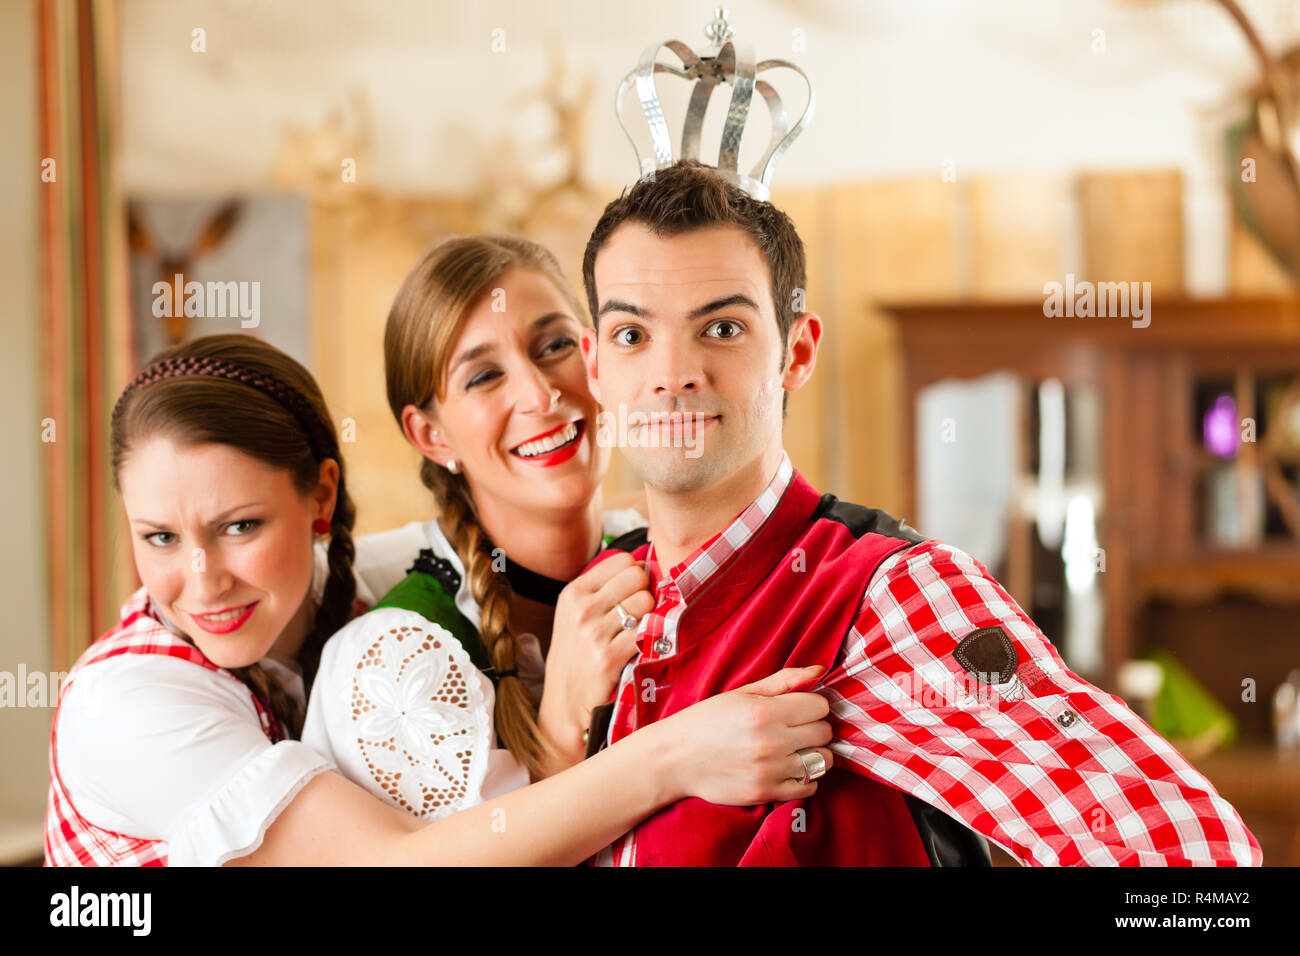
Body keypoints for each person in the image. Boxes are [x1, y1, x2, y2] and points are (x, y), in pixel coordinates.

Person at [575, 159, 1264, 866]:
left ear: (797, 352)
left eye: (721, 329)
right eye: (633, 336)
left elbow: (1197, 861)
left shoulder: (892, 596)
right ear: (596, 367)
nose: (673, 374)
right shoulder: (603, 597)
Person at [44, 332, 834, 866]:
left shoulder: (380, 582)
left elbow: (534, 532)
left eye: (240, 526)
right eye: (158, 538)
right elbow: (396, 864)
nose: (202, 577)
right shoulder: (124, 702)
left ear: (321, 496)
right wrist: (679, 756)